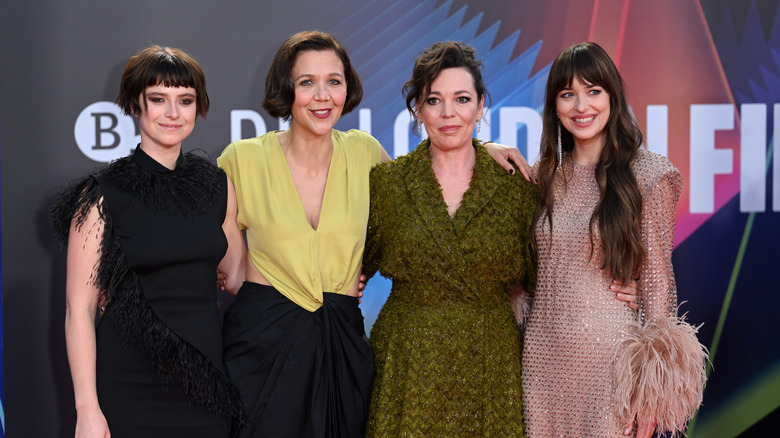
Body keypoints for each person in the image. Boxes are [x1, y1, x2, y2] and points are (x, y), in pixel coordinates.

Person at [50, 46, 244, 437]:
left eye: (185, 100)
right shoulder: (102, 194)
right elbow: (79, 310)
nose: (173, 113)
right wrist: (87, 410)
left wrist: (333, 279)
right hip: (128, 385)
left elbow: (239, 275)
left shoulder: (218, 186)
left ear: (198, 107)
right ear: (135, 104)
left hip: (205, 382)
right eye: (158, 99)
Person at [521, 41, 707, 438]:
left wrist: (650, 393)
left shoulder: (647, 175)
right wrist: (490, 148)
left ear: (612, 97)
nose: (581, 106)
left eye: (593, 91)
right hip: (541, 364)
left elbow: (657, 286)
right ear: (554, 106)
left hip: (609, 366)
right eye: (567, 94)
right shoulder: (542, 177)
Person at [361, 41, 537, 437]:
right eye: (434, 100)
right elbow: (352, 268)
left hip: (491, 364)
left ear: (480, 105)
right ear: (418, 109)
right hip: (408, 363)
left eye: (461, 99)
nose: (448, 113)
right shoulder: (388, 184)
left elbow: (542, 279)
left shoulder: (516, 187)